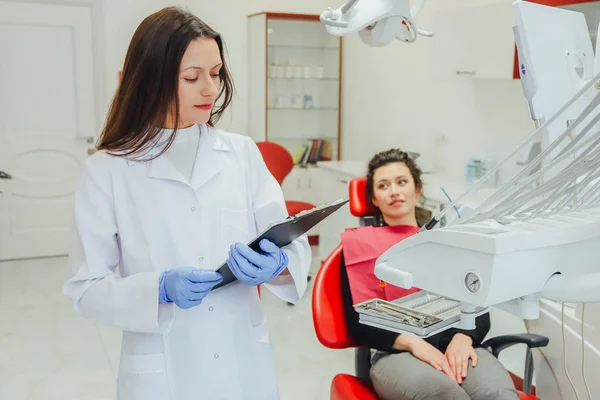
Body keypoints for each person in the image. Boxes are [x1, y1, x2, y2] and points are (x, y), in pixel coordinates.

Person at [62, 7, 311, 400]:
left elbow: (286, 243)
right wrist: (156, 290)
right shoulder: (107, 170)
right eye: (192, 77)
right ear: (150, 80)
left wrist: (278, 265)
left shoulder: (242, 153)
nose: (210, 89)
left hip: (241, 360)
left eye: (216, 74)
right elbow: (85, 289)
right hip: (163, 369)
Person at [340, 149, 519, 400]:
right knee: (445, 395)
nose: (394, 191)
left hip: (456, 344)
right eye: (383, 185)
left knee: (498, 394)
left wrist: (463, 337)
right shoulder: (356, 248)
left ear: (417, 189)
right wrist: (414, 343)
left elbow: (479, 305)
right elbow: (357, 320)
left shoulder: (447, 242)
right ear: (374, 198)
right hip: (396, 353)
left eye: (402, 182)